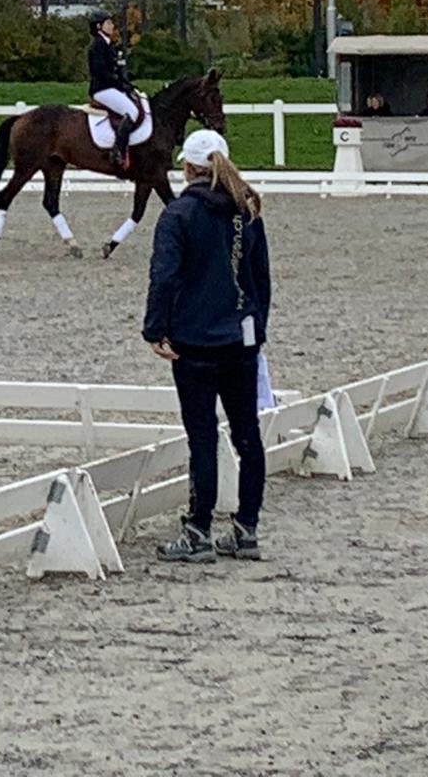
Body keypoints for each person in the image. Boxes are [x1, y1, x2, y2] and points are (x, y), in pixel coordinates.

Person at [144, 129, 272, 564]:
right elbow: (261, 280)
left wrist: (154, 329)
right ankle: (246, 528)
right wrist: (258, 327)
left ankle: (198, 528)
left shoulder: (178, 214)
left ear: (188, 168)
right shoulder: (247, 211)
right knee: (247, 435)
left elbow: (164, 276)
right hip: (241, 337)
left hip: (195, 340)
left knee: (203, 437)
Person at [88, 14, 139, 171]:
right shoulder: (97, 45)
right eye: (108, 23)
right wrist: (119, 82)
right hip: (102, 89)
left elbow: (117, 70)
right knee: (132, 111)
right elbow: (99, 71)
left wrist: (126, 85)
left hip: (112, 87)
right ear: (99, 27)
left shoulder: (109, 45)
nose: (112, 26)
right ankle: (118, 150)